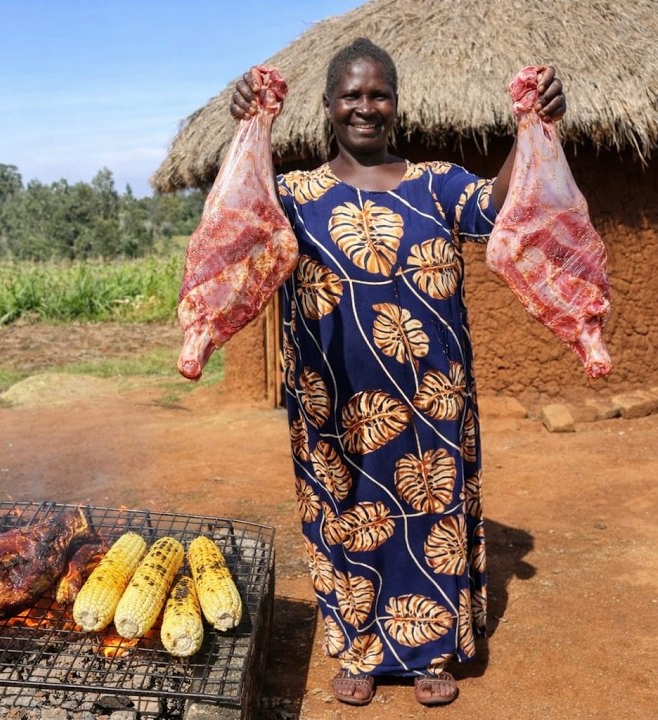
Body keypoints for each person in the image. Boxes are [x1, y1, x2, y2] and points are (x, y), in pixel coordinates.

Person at [228, 38, 566, 708]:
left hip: (431, 402)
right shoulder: (297, 194)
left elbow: (498, 209)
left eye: (377, 93)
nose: (365, 107)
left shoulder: (437, 183)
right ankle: (359, 648)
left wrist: (534, 129)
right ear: (328, 107)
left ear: (396, 103)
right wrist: (249, 124)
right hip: (335, 404)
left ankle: (427, 650)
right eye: (351, 95)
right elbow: (241, 218)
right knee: (346, 517)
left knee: (429, 514)